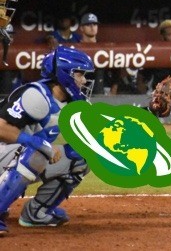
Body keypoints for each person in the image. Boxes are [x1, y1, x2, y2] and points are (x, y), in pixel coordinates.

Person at [0, 46, 95, 235]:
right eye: (79, 74)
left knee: (83, 155)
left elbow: (104, 129)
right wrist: (37, 143)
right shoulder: (36, 95)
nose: (84, 80)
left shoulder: (73, 103)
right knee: (38, 151)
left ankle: (36, 213)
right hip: (5, 152)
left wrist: (150, 110)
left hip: (14, 158)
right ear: (65, 74)